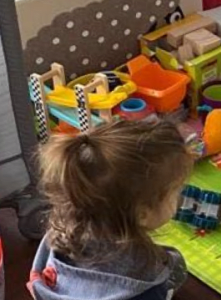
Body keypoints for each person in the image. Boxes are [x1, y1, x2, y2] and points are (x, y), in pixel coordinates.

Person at [28, 120, 194, 300]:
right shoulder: (144, 284)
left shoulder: (62, 229)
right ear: (142, 214)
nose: (179, 197)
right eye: (175, 191)